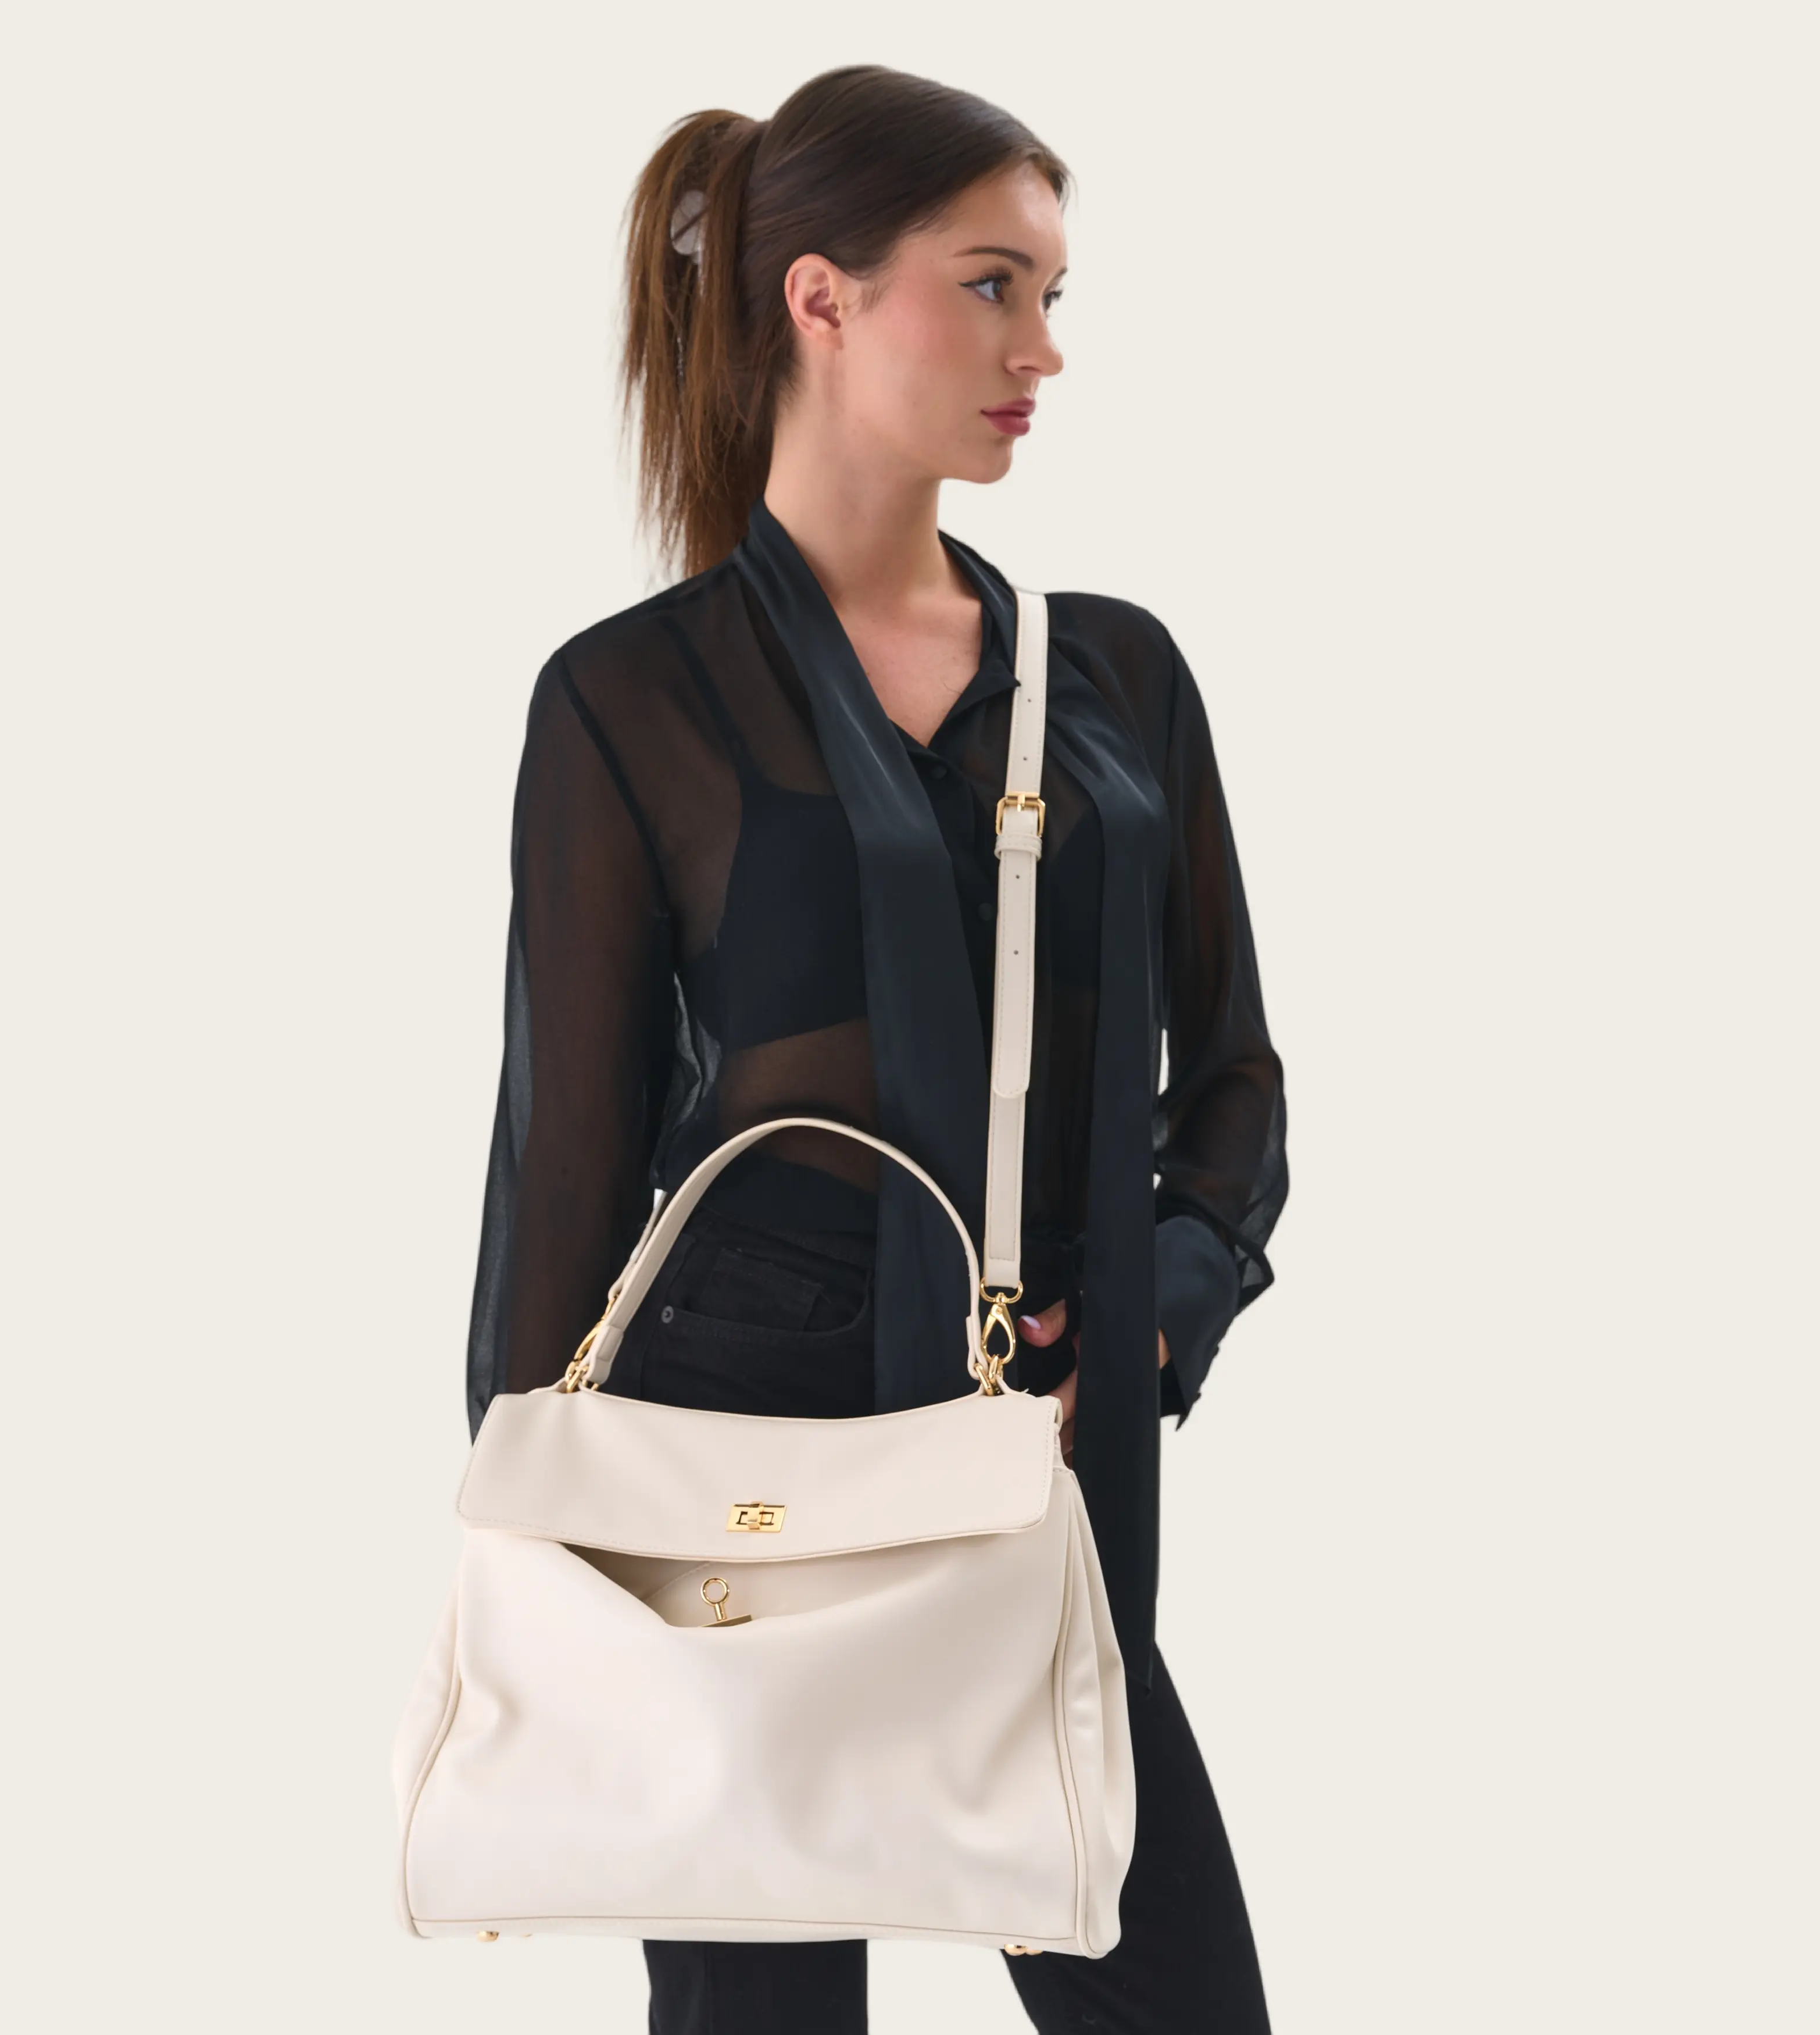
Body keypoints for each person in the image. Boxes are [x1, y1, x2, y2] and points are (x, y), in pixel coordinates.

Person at [462, 62, 1289, 2035]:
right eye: (992, 286)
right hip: (734, 1473)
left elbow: (1231, 1079)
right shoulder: (627, 701)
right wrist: (534, 1573)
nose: (1041, 350)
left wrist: (1152, 1311)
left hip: (1032, 1449)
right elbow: (561, 1169)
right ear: (819, 299)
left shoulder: (1115, 675)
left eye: (1054, 296)